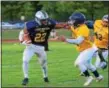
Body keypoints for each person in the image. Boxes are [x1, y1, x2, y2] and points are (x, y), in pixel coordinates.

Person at [19, 10, 67, 85]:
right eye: (43, 20)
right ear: (37, 19)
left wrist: (65, 25)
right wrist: (25, 40)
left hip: (41, 47)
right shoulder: (31, 25)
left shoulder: (50, 23)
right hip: (31, 46)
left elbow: (57, 25)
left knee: (43, 63)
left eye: (46, 19)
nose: (45, 21)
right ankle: (26, 77)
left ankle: (45, 76)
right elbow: (24, 33)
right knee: (25, 60)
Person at [59, 12, 103, 86]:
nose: (71, 22)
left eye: (72, 20)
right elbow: (72, 29)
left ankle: (89, 77)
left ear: (77, 22)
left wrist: (65, 40)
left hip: (88, 49)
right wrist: (67, 26)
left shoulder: (84, 28)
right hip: (84, 49)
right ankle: (98, 77)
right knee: (88, 64)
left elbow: (78, 41)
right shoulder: (75, 26)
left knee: (78, 63)